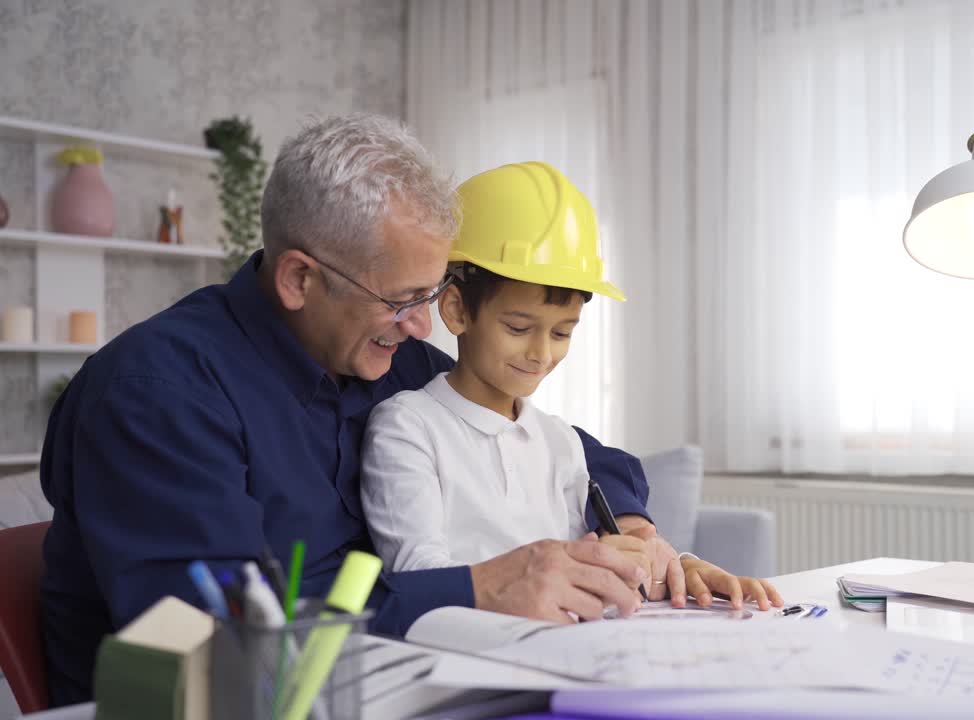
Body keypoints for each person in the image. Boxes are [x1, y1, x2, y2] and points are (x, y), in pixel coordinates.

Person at [38, 115, 675, 706]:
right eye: (401, 299)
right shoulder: (158, 393)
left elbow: (572, 448)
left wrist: (629, 523)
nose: (424, 324)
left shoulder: (392, 356)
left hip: (384, 678)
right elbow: (226, 638)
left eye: (430, 294)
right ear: (298, 279)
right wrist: (479, 586)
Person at [361, 162, 783, 612]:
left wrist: (672, 567)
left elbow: (595, 570)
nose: (541, 353)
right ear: (457, 311)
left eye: (562, 333)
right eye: (519, 327)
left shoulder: (560, 441)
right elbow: (416, 576)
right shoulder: (407, 427)